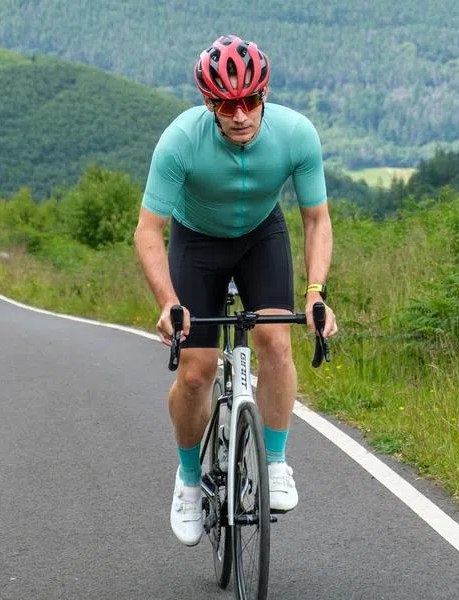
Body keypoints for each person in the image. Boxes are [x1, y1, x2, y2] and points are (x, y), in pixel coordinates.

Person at [133, 34, 338, 546]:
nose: (241, 114)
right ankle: (186, 479)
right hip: (196, 242)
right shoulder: (180, 140)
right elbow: (147, 231)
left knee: (274, 342)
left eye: (250, 101)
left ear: (264, 95)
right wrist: (169, 304)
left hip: (260, 238)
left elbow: (316, 219)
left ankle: (275, 461)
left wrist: (315, 293)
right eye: (227, 104)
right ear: (209, 103)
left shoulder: (296, 134)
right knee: (197, 372)